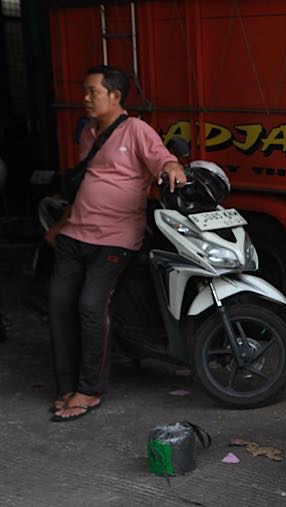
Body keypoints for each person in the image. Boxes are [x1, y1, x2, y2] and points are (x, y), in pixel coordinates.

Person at [45, 65, 186, 422]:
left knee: (91, 305)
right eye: (85, 91)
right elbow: (82, 184)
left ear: (115, 96)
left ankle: (89, 390)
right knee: (60, 303)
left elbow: (162, 157)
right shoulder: (89, 133)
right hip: (75, 234)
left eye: (93, 91)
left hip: (115, 238)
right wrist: (60, 226)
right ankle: (66, 386)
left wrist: (172, 168)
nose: (85, 98)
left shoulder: (135, 129)